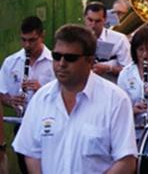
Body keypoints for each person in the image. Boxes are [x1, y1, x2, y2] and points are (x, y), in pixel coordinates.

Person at [13, 24, 138, 173]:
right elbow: (31, 153)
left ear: (90, 61)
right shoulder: (41, 99)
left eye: (70, 58)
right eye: (57, 56)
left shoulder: (116, 100)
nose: (61, 64)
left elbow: (126, 161)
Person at [0, 16, 56, 174]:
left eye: (32, 40)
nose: (27, 45)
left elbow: (66, 93)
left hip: (48, 125)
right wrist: (11, 101)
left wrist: (42, 89)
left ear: (42, 36)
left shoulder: (55, 62)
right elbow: (1, 94)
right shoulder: (11, 62)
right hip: (23, 125)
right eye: (23, 40)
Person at [83, 1, 132, 81]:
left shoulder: (119, 39)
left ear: (105, 20)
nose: (93, 25)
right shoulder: (76, 39)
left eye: (98, 21)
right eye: (90, 20)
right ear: (84, 18)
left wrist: (109, 68)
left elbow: (129, 71)